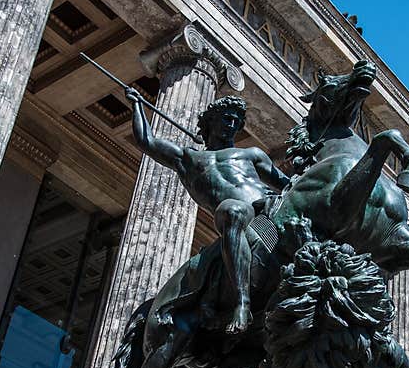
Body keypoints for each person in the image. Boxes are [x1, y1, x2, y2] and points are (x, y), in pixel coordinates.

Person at [124, 88, 289, 334]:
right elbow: (147, 141)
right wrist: (137, 104)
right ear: (212, 121)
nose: (232, 125)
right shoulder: (189, 159)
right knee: (232, 210)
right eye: (227, 119)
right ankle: (243, 302)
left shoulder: (251, 154)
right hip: (236, 215)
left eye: (236, 121)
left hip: (267, 210)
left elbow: (286, 184)